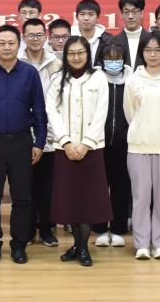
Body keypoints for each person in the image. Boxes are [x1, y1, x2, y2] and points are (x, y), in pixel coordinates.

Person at [0, 25, 48, 265]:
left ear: (19, 44)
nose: (6, 47)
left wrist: (40, 142)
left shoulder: (29, 73)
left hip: (22, 142)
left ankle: (19, 245)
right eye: (1, 43)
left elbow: (39, 111)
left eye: (11, 43)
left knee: (22, 197)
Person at [46, 36, 111, 267]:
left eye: (80, 52)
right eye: (71, 53)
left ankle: (83, 248)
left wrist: (85, 144)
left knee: (88, 200)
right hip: (65, 149)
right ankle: (77, 244)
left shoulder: (99, 77)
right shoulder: (57, 79)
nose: (76, 57)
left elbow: (102, 111)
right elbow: (51, 111)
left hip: (91, 149)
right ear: (65, 56)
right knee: (70, 200)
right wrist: (65, 142)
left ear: (88, 54)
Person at [124, 31, 160, 260]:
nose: (152, 54)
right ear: (142, 53)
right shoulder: (134, 79)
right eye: (148, 50)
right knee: (140, 197)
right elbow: (130, 112)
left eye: (157, 50)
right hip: (138, 146)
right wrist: (141, 129)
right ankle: (141, 243)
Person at [20, 18, 63, 247]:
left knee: (48, 187)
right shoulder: (17, 61)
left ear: (45, 37)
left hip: (51, 133)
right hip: (22, 133)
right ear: (23, 37)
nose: (35, 39)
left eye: (39, 35)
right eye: (30, 35)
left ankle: (47, 229)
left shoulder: (57, 64)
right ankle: (27, 230)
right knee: (25, 186)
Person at [92, 38, 133, 250]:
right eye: (109, 58)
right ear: (102, 60)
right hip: (98, 143)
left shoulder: (132, 81)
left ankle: (118, 229)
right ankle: (100, 228)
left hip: (124, 144)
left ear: (124, 60)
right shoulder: (95, 80)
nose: (114, 62)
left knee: (121, 187)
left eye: (118, 59)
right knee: (99, 187)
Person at [117, 0, 147, 68]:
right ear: (121, 14)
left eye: (135, 11)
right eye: (126, 12)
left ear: (141, 13)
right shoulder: (113, 42)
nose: (130, 16)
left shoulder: (151, 39)